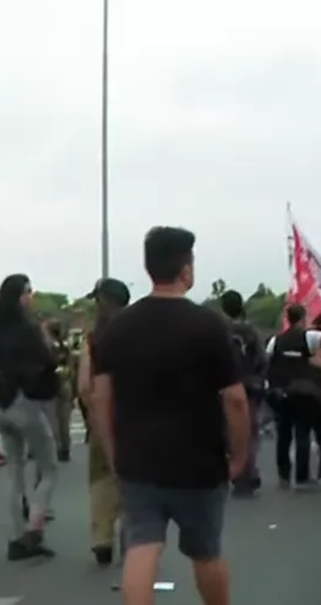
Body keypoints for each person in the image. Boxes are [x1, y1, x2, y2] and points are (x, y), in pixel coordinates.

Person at [91, 226, 250, 605]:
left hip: (138, 460)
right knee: (206, 551)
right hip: (200, 461)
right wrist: (240, 455)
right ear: (186, 269)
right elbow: (235, 400)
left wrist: (114, 451)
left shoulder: (118, 328)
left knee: (142, 546)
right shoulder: (209, 325)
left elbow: (99, 396)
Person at [0, 273, 60, 560]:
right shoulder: (29, 330)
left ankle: (15, 535)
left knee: (14, 471)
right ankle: (34, 530)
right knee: (49, 467)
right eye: (28, 291)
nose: (31, 296)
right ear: (19, 297)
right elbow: (49, 360)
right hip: (26, 403)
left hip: (3, 405)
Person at [78, 277, 130, 566]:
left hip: (102, 415)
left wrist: (92, 412)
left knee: (100, 477)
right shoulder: (139, 330)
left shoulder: (93, 339)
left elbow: (85, 385)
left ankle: (102, 537)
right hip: (135, 415)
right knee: (134, 475)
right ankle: (131, 535)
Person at [265, 304, 321, 490]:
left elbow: (269, 360)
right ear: (303, 318)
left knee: (283, 435)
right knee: (302, 433)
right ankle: (302, 477)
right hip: (303, 392)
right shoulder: (309, 336)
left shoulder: (276, 340)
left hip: (281, 393)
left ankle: (283, 476)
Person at [219, 289, 266, 498]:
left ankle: (237, 474)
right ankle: (250, 470)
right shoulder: (250, 331)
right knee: (250, 430)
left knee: (229, 430)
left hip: (225, 386)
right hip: (250, 386)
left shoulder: (220, 331)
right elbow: (263, 359)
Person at [45, 320, 74, 463]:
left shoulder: (48, 346)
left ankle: (56, 448)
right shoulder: (65, 345)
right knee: (65, 419)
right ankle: (65, 448)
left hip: (52, 383)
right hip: (65, 382)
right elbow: (71, 365)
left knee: (52, 419)